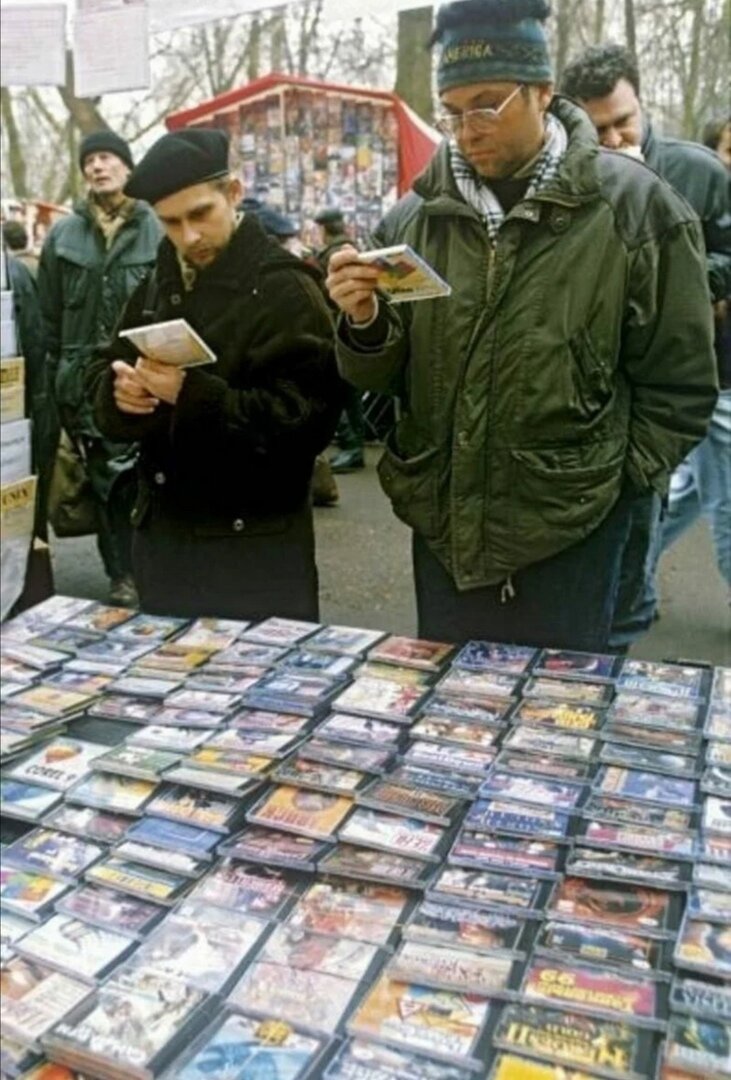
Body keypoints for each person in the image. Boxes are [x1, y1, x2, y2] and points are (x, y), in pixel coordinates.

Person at [325, 0, 717, 650]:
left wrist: (617, 485)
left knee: (557, 722)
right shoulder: (410, 222)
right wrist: (364, 323)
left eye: (485, 104)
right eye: (451, 111)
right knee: (450, 724)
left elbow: (679, 388)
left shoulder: (637, 209)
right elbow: (386, 382)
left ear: (541, 92)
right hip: (444, 526)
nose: (465, 128)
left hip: (575, 532)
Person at [85, 128, 343, 621]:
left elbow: (308, 423)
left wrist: (192, 395)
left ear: (234, 193)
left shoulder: (285, 287)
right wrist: (120, 395)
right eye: (170, 223)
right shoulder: (159, 277)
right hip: (165, 549)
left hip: (252, 562)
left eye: (200, 214)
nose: (188, 237)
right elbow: (107, 361)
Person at [561, 44, 731, 628]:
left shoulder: (698, 170)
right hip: (615, 382)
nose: (611, 138)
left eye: (622, 121)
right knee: (657, 495)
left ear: (641, 102)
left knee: (719, 494)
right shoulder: (571, 180)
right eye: (596, 126)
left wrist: (689, 279)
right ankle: (629, 597)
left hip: (705, 369)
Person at [37, 130, 161, 607]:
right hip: (81, 380)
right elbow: (49, 316)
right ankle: (121, 572)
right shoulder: (63, 234)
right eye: (89, 160)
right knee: (104, 482)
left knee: (145, 476)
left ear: (127, 167)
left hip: (143, 371)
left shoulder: (155, 226)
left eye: (107, 157)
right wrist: (57, 380)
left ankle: (153, 564)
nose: (97, 167)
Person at [315, 207, 366, 473]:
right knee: (346, 389)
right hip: (343, 327)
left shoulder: (337, 253)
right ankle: (353, 444)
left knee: (343, 389)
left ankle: (353, 446)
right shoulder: (343, 249)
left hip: (338, 328)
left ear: (323, 229)